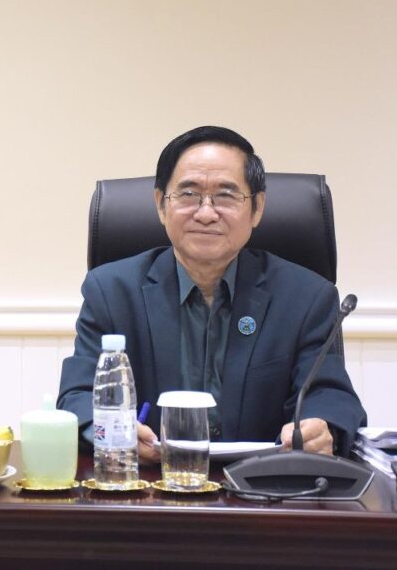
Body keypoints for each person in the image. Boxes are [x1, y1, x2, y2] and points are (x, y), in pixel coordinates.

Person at [58, 126, 365, 460]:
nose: (206, 213)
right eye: (189, 194)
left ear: (257, 208)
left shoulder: (306, 297)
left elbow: (330, 397)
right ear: (161, 205)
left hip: (262, 483)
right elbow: (78, 397)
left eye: (226, 196)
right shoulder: (111, 291)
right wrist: (113, 432)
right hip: (150, 481)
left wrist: (322, 428)